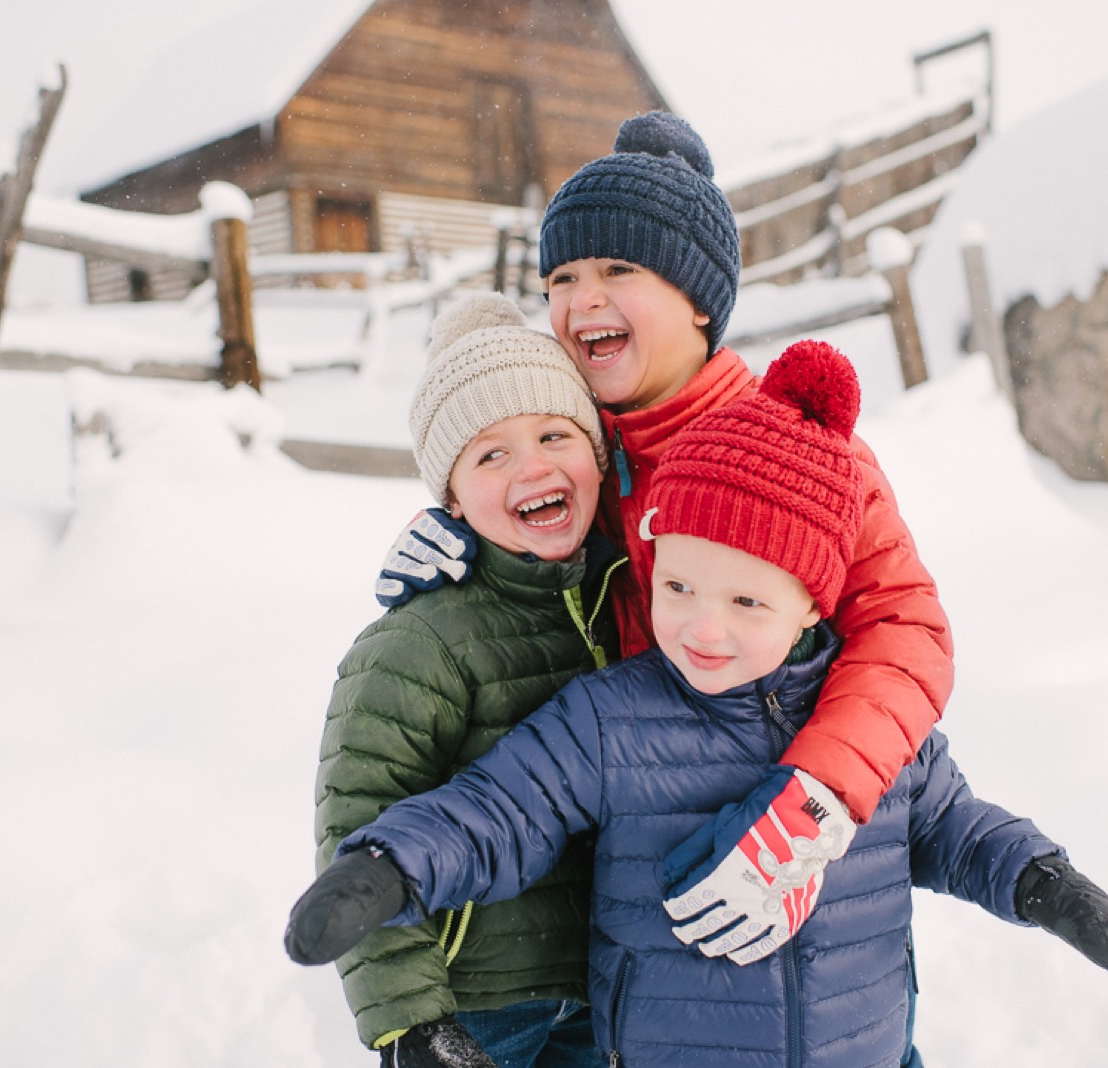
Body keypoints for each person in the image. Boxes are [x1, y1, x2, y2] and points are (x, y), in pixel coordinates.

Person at [287, 341, 1108, 1068]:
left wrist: (1042, 881)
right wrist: (388, 868)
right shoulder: (613, 717)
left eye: (745, 603)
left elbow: (952, 826)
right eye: (680, 584)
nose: (701, 628)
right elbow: (499, 810)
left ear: (814, 603)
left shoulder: (867, 724)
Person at [374, 110, 959, 1063]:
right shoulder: (579, 455)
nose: (578, 300)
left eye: (615, 272)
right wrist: (457, 530)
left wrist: (816, 799)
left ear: (696, 298)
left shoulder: (796, 449)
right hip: (644, 938)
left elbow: (907, 633)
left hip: (816, 936)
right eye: (559, 278)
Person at [312, 292, 623, 1066]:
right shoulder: (419, 642)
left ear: (597, 455)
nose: (534, 465)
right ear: (450, 498)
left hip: (599, 987)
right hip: (477, 1000)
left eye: (556, 433)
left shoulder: (638, 599)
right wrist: (410, 1020)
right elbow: (360, 826)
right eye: (490, 454)